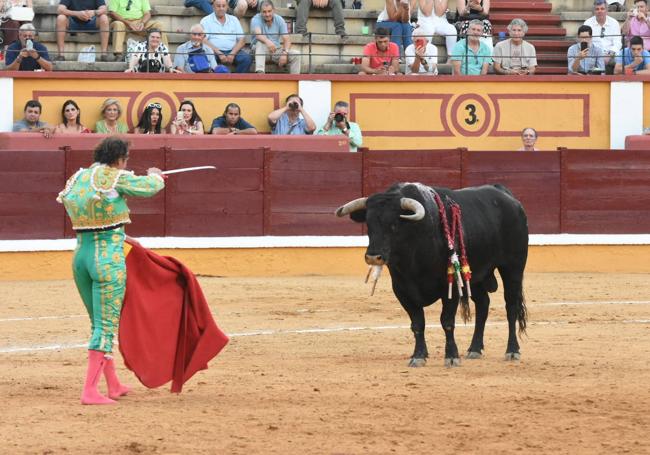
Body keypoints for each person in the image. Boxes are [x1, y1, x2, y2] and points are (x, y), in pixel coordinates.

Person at [56, 136, 165, 405]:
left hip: (81, 257)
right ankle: (90, 392)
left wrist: (124, 237)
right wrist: (156, 175)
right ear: (119, 159)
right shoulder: (114, 176)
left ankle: (113, 384)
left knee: (98, 323)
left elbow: (93, 218)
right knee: (105, 327)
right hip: (106, 260)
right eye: (125, 159)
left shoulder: (79, 178)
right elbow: (148, 187)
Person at [201, 0, 252, 73]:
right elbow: (203, 40)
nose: (221, 8)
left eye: (223, 6)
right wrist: (219, 53)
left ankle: (238, 81)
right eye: (218, 6)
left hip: (232, 50)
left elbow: (242, 40)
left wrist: (232, 53)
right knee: (205, 58)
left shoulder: (234, 20)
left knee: (246, 58)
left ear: (227, 7)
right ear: (213, 7)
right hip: (213, 51)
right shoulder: (206, 20)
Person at [251, 0, 301, 74]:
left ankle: (295, 81)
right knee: (260, 43)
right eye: (264, 12)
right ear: (260, 12)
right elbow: (258, 35)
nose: (267, 14)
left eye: (269, 11)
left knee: (296, 54)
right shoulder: (256, 19)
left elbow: (286, 39)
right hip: (260, 51)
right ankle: (260, 74)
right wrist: (267, 41)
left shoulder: (279, 19)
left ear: (274, 10)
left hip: (275, 50)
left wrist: (284, 53)